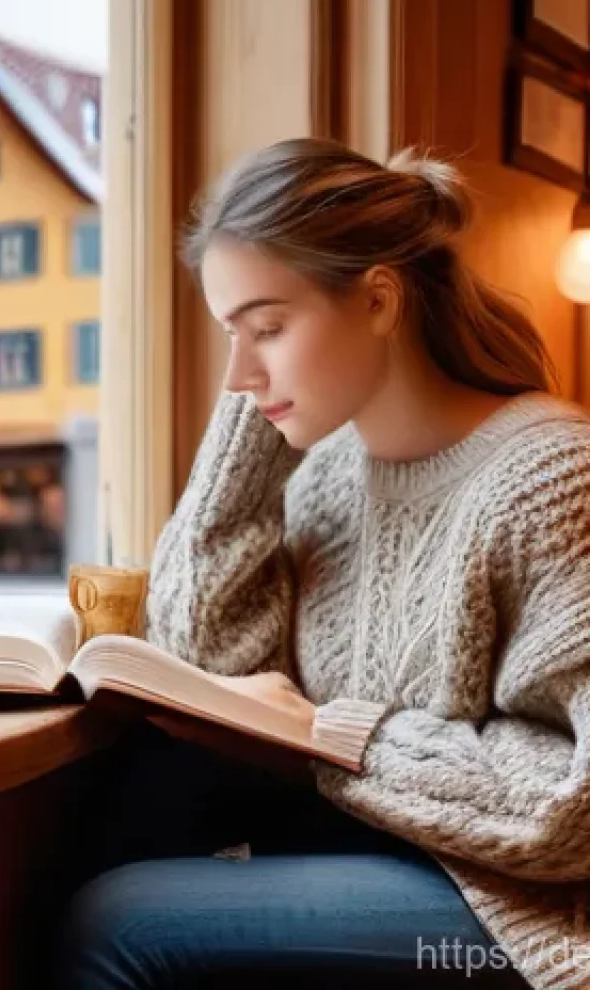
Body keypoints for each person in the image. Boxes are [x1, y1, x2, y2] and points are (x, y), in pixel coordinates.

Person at [52, 139, 590, 990]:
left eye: (267, 326)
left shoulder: (550, 479)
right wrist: (254, 426)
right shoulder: (332, 473)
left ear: (379, 300)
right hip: (376, 842)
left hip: (517, 902)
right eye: (230, 332)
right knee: (144, 791)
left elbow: (579, 806)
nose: (238, 372)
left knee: (122, 923)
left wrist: (326, 736)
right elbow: (212, 660)